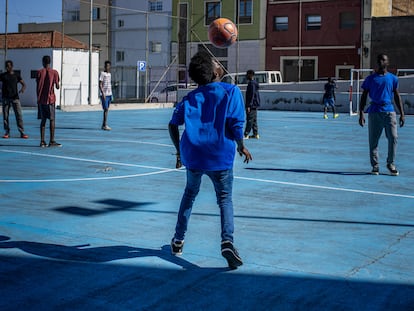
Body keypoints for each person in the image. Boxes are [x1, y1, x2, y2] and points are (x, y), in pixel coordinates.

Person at [168, 51, 252, 269]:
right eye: (216, 62)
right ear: (214, 72)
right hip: (219, 154)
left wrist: (179, 151)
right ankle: (227, 241)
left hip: (193, 155)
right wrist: (241, 145)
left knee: (189, 194)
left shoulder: (190, 97)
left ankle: (178, 240)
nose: (219, 64)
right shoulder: (231, 91)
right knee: (224, 199)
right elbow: (235, 124)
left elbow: (172, 124)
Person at [359, 54, 405, 176]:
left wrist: (402, 113)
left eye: (383, 59)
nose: (381, 61)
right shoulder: (370, 79)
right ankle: (375, 165)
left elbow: (396, 95)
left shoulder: (393, 78)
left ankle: (391, 163)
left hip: (389, 111)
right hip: (374, 112)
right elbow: (364, 96)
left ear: (387, 62)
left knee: (393, 137)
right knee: (373, 140)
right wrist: (361, 113)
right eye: (379, 60)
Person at [37, 55, 61, 147]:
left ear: (43, 62)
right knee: (52, 120)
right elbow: (57, 86)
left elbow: (38, 85)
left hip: (41, 99)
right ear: (49, 62)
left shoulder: (39, 72)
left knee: (43, 120)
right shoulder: (54, 72)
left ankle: (42, 141)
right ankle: (51, 140)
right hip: (50, 99)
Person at [0, 60, 28, 139]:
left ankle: (22, 132)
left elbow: (24, 84)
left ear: (12, 66)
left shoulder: (16, 75)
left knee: (19, 115)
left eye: (8, 66)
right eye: (6, 66)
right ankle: (7, 132)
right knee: (5, 116)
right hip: (5, 98)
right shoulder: (3, 75)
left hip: (15, 98)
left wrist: (22, 89)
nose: (7, 67)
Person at [244, 69, 260, 139]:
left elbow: (251, 95)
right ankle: (255, 134)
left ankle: (246, 134)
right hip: (255, 104)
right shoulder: (254, 83)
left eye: (247, 74)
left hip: (252, 105)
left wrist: (249, 105)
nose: (246, 76)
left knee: (250, 119)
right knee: (254, 120)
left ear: (250, 75)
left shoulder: (251, 84)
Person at [99, 61, 113, 131]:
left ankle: (104, 124)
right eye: (106, 66)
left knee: (107, 110)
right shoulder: (102, 74)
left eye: (108, 66)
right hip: (104, 94)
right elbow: (100, 84)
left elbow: (109, 84)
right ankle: (104, 125)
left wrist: (111, 93)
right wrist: (103, 93)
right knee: (106, 109)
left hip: (109, 94)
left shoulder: (109, 74)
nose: (107, 67)